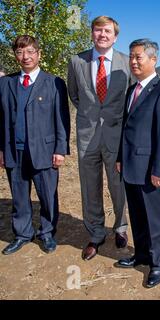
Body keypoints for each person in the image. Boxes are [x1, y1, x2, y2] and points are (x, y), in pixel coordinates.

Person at [115, 39, 160, 288]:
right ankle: (141, 255)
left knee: (155, 220)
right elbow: (126, 129)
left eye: (138, 57)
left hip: (151, 171)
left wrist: (159, 170)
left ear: (153, 59)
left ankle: (158, 263)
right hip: (131, 166)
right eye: (131, 56)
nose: (133, 61)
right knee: (138, 216)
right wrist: (121, 158)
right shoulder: (133, 90)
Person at [67, 16, 133, 260]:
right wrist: (90, 115)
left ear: (115, 37)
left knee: (118, 185)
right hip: (87, 136)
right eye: (98, 30)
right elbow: (74, 95)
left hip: (116, 137)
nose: (102, 34)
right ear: (92, 34)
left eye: (107, 31)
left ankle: (121, 227)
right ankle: (95, 233)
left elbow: (131, 101)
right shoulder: (76, 61)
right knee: (89, 186)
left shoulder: (126, 64)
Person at [0, 35, 70, 255]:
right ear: (15, 55)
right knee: (19, 197)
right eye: (20, 52)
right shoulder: (5, 83)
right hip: (14, 151)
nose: (25, 56)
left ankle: (47, 232)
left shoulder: (54, 83)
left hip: (45, 151)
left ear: (39, 54)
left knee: (47, 195)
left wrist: (60, 149)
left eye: (30, 51)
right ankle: (22, 233)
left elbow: (62, 119)